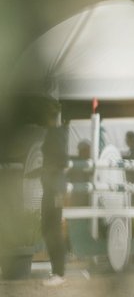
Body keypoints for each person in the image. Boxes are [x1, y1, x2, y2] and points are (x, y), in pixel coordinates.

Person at [40, 99, 69, 286]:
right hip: (52, 188)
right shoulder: (56, 133)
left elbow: (61, 162)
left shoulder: (55, 134)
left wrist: (48, 173)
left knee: (52, 229)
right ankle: (57, 271)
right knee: (49, 228)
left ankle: (59, 272)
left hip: (54, 189)